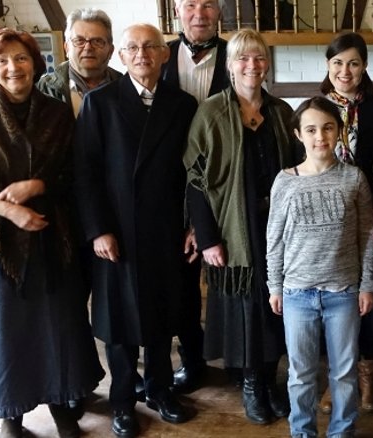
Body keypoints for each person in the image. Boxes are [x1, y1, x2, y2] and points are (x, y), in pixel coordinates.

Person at [0, 28, 103, 438]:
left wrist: (37, 186)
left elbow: (73, 174)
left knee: (58, 322)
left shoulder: (56, 113)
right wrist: (9, 210)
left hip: (52, 232)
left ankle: (62, 404)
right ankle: (11, 415)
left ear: (35, 63)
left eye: (21, 58)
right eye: (2, 61)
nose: (13, 68)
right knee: (7, 327)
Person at [74, 23, 198, 438]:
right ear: (121, 56)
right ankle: (123, 401)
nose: (142, 54)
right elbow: (85, 173)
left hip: (165, 230)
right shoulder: (100, 103)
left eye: (150, 47)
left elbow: (194, 172)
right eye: (133, 48)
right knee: (120, 323)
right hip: (118, 233)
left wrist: (192, 224)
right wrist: (98, 230)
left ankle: (161, 390)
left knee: (162, 315)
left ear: (164, 54)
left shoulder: (182, 104)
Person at [183, 28, 297, 425]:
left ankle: (271, 380)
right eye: (243, 58)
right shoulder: (211, 112)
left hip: (277, 227)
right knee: (246, 309)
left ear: (267, 64)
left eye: (259, 57)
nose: (252, 65)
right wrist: (208, 237)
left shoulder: (281, 112)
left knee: (276, 306)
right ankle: (252, 384)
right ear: (230, 65)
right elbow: (195, 179)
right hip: (234, 225)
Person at [267, 96, 373, 438]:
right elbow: (274, 239)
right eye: (311, 129)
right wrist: (274, 285)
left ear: (339, 131)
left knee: (343, 373)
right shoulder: (284, 181)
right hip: (297, 293)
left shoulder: (354, 179)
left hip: (343, 292)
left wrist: (367, 284)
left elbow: (367, 235)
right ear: (298, 134)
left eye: (328, 128)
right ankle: (302, 432)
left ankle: (342, 431)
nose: (320, 137)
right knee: (301, 374)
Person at [317, 31, 373, 414]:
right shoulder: (316, 110)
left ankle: (368, 376)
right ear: (328, 65)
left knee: (370, 300)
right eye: (337, 63)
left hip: (370, 217)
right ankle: (337, 377)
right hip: (326, 221)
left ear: (364, 66)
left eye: (353, 63)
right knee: (331, 298)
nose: (345, 71)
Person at [161, 0, 232, 394]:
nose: (199, 13)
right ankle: (191, 360)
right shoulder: (159, 55)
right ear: (178, 11)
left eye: (208, 4)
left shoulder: (236, 56)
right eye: (190, 4)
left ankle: (238, 359)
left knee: (231, 276)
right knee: (182, 282)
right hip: (170, 188)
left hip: (223, 184)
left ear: (218, 11)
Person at [0, 8, 120, 155]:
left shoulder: (125, 87)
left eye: (97, 41)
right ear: (66, 47)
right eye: (79, 41)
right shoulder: (42, 87)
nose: (87, 47)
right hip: (61, 186)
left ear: (110, 50)